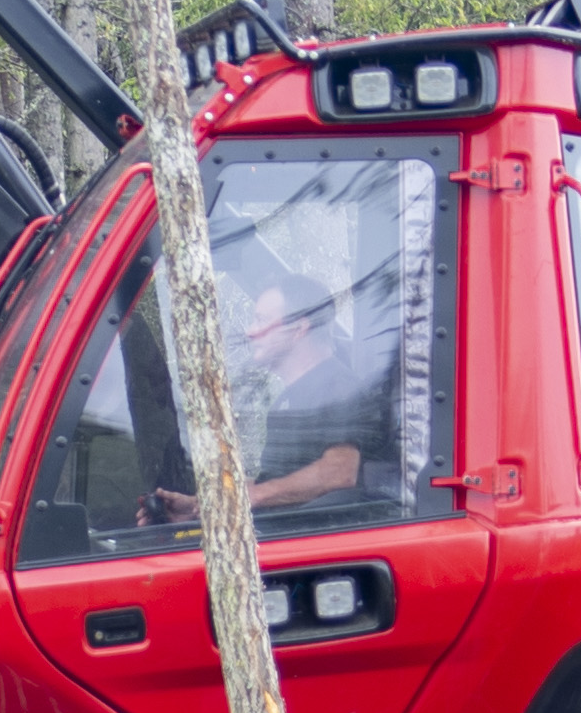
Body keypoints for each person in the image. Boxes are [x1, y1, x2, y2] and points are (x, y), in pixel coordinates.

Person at [153, 200, 401, 526]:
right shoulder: (292, 397)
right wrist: (202, 507)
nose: (250, 331)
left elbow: (339, 472)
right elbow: (278, 485)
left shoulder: (339, 389)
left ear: (298, 329)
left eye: (261, 320)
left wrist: (255, 496)